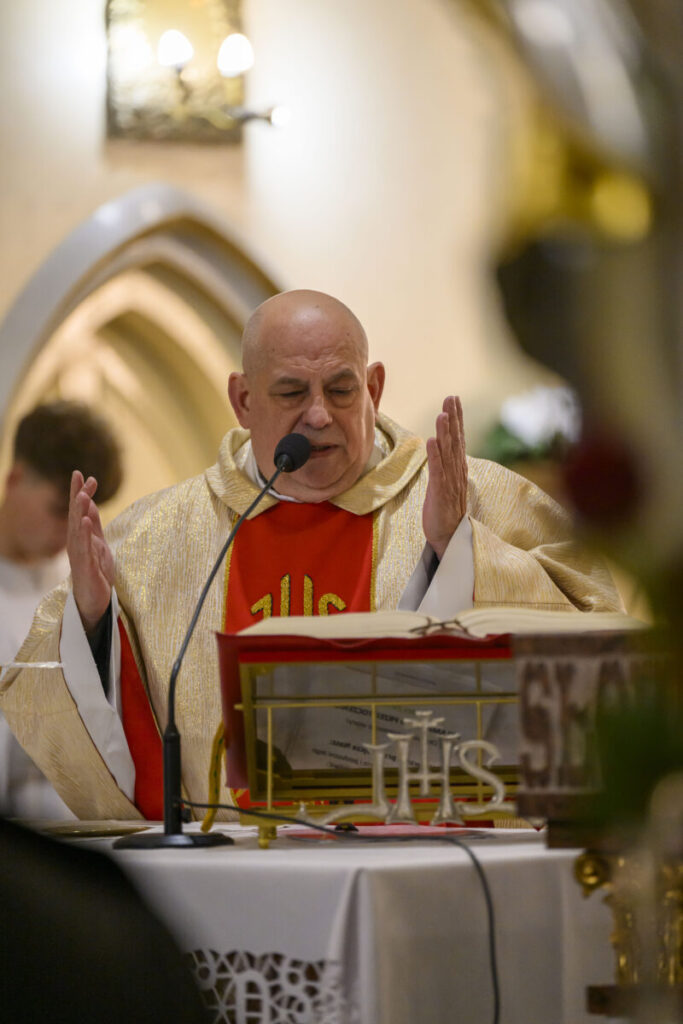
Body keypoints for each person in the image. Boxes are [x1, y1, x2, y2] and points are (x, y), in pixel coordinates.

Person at [0, 291, 620, 822]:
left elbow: (596, 639)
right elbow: (66, 704)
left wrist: (458, 551)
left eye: (342, 389)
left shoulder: (473, 497)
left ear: (373, 386)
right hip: (228, 872)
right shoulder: (156, 535)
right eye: (292, 392)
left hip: (411, 873)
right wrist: (93, 623)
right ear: (243, 400)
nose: (319, 415)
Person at [0, 401, 122, 817]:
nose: (67, 531)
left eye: (81, 516)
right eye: (58, 511)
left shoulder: (81, 583)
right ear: (16, 480)